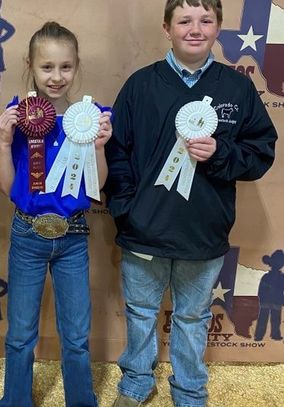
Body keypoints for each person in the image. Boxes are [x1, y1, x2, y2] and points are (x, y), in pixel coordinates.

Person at [103, 1, 278, 406]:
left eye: (205, 20)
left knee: (193, 317)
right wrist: (127, 209)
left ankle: (189, 389)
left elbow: (260, 153)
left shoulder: (237, 88)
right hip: (143, 230)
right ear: (167, 28)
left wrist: (220, 153)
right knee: (142, 311)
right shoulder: (140, 85)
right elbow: (117, 154)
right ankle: (135, 383)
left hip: (204, 231)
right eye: (184, 21)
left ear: (218, 28)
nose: (194, 29)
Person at [0, 21, 113, 407]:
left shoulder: (91, 116)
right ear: (30, 64)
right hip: (27, 234)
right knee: (20, 333)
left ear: (77, 66)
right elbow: (7, 188)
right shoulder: (17, 115)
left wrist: (98, 147)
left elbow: (96, 190)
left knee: (76, 335)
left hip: (73, 236)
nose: (57, 76)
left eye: (65, 67)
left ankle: (81, 401)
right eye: (47, 67)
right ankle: (15, 401)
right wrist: (6, 141)